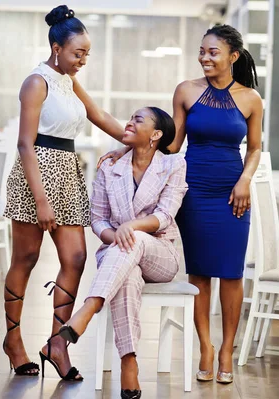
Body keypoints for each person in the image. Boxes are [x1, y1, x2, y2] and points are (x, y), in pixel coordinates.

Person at [98, 24, 263, 384]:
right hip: (195, 189)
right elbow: (171, 145)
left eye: (213, 52)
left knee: (232, 272)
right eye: (202, 51)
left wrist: (245, 180)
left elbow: (254, 148)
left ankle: (226, 350)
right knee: (200, 271)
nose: (205, 57)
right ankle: (205, 346)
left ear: (233, 57)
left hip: (233, 190)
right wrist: (127, 148)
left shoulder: (251, 98)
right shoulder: (186, 91)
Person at [1, 5, 123, 380]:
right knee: (26, 257)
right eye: (77, 53)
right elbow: (25, 143)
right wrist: (40, 200)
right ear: (57, 47)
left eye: (87, 53)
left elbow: (99, 116)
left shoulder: (69, 81)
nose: (82, 60)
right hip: (35, 174)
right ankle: (13, 339)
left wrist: (142, 141)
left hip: (67, 174)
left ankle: (57, 343)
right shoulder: (36, 82)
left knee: (75, 258)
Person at [58, 107, 188, 399]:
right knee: (127, 279)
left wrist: (130, 227)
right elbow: (98, 218)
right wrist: (114, 233)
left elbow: (166, 215)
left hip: (160, 254)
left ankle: (88, 309)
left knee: (137, 239)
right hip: (118, 253)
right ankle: (129, 362)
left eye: (138, 120)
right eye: (130, 117)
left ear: (156, 135)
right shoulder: (110, 166)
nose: (129, 122)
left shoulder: (173, 165)